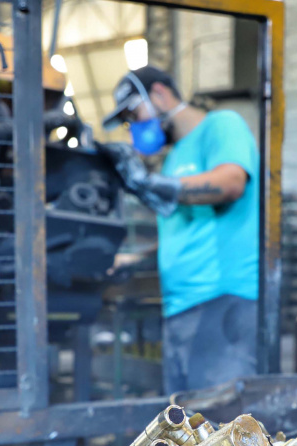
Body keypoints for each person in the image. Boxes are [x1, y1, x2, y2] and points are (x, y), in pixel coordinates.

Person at [99, 66, 259, 395]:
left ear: (159, 93)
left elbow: (231, 183)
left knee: (223, 433)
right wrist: (133, 260)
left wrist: (150, 183)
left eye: (135, 114)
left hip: (222, 301)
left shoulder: (222, 125)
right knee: (186, 433)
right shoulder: (173, 162)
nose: (134, 128)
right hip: (180, 308)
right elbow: (183, 233)